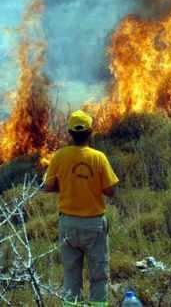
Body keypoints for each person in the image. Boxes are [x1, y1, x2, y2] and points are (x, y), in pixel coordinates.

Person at [44, 110, 119, 307]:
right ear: (91, 132)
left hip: (68, 223)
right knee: (99, 276)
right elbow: (111, 190)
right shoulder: (99, 157)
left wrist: (68, 184)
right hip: (94, 225)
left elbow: (47, 186)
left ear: (70, 132)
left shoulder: (60, 156)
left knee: (70, 277)